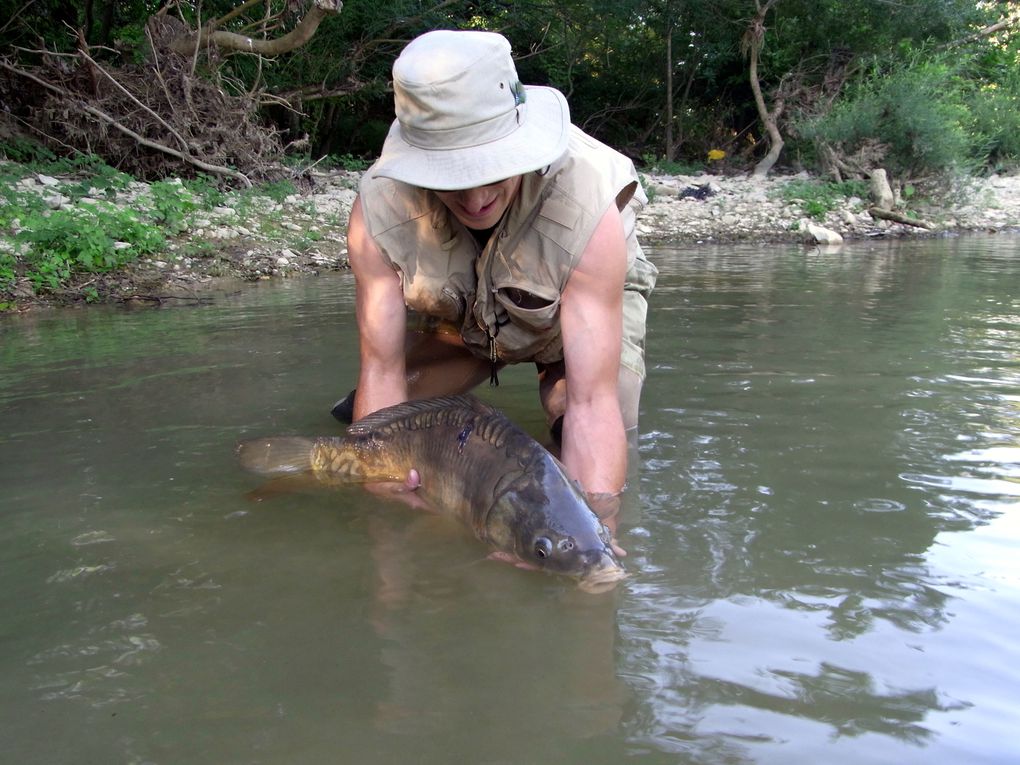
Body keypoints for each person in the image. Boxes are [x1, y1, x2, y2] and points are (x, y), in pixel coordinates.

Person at [332, 29, 657, 520]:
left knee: (585, 428)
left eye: (491, 170)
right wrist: (387, 507)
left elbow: (593, 403)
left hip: (566, 326)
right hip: (463, 326)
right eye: (450, 177)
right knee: (366, 437)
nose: (474, 196)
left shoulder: (588, 202)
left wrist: (592, 536)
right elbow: (381, 369)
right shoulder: (379, 208)